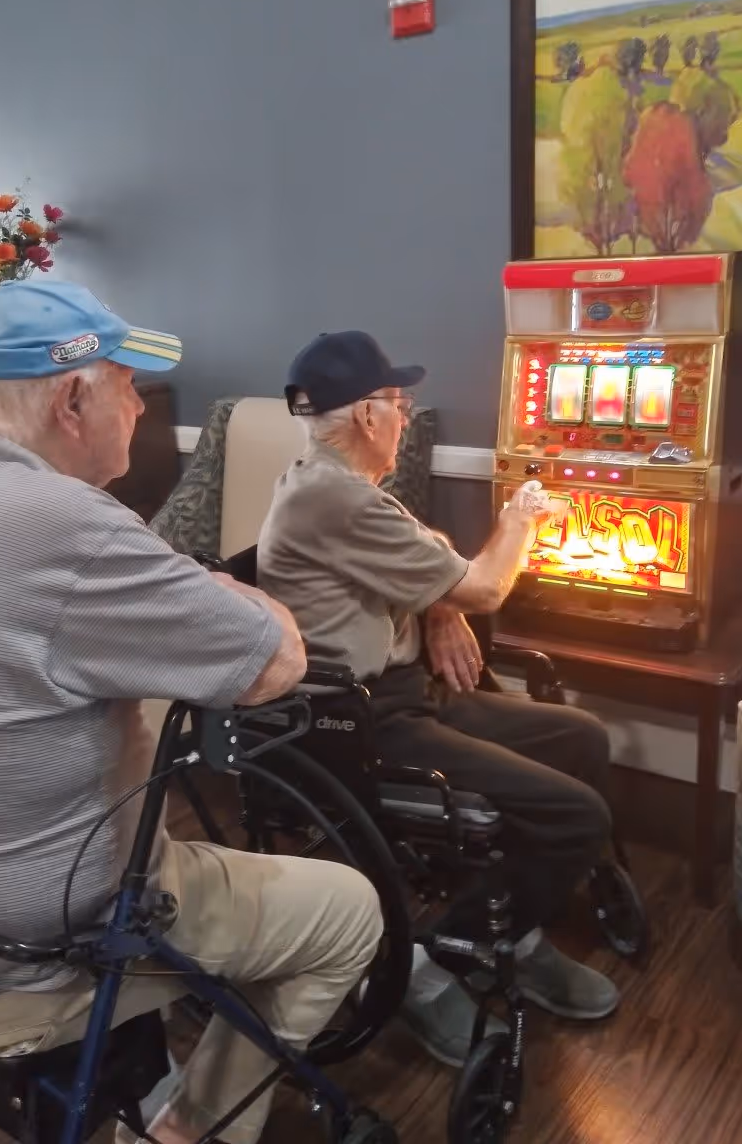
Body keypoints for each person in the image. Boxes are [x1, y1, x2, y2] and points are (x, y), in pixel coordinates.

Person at [0, 284, 383, 1144]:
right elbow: (274, 662)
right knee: (348, 910)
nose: (139, 406)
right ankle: (190, 1130)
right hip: (32, 957)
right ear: (72, 402)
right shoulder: (69, 525)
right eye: (126, 385)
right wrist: (233, 593)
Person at [257, 330, 619, 1059]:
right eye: (399, 402)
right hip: (356, 722)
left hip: (406, 691)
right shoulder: (335, 498)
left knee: (581, 738)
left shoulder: (339, 483)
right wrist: (519, 519)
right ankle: (457, 940)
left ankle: (514, 923)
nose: (406, 416)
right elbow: (484, 587)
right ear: (367, 415)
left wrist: (437, 607)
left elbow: (434, 557)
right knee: (578, 813)